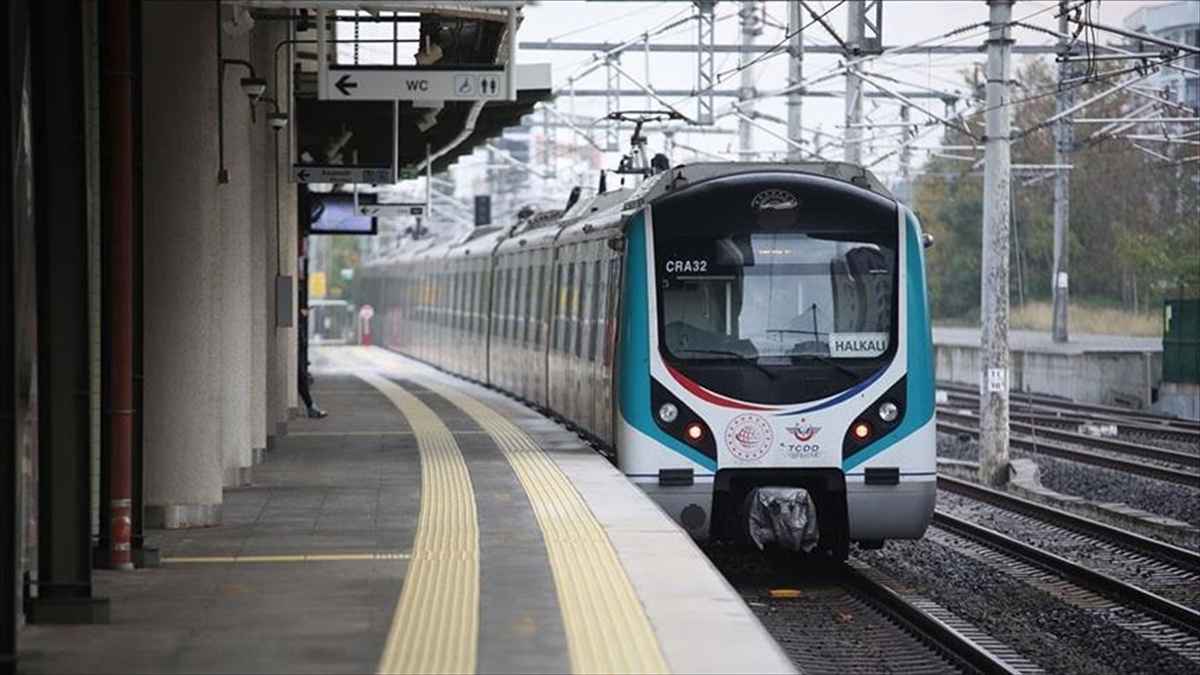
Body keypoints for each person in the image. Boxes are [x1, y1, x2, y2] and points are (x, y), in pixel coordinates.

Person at [298, 306, 328, 418]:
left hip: (298, 350)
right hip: (297, 350)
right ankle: (311, 408)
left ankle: (311, 407)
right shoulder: (297, 318)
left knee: (302, 379)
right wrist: (301, 314)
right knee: (301, 379)